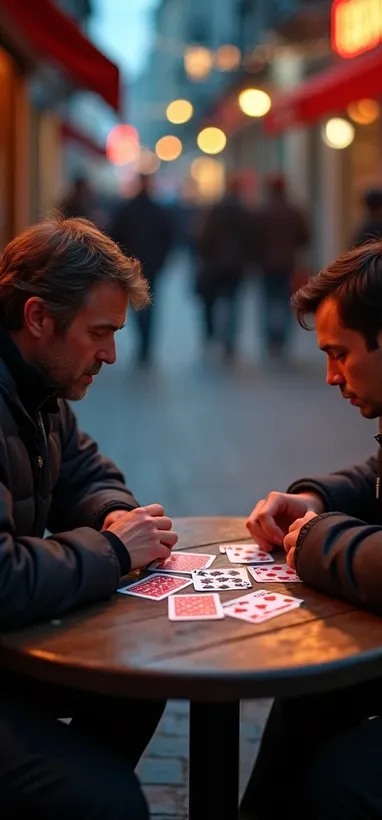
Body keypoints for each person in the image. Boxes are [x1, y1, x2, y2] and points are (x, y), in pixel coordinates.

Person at [242, 239, 382, 820]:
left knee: (348, 780)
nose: (329, 376)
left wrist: (315, 537)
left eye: (338, 354)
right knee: (311, 695)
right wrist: (313, 497)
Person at [0, 215, 179, 819]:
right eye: (99, 332)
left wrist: (118, 516)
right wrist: (115, 552)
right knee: (105, 800)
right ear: (38, 319)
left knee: (140, 676)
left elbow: (85, 472)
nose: (111, 354)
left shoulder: (39, 386)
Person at [110, 174, 174, 366]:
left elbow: (115, 237)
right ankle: (146, 344)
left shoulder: (127, 209)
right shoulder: (159, 210)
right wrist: (162, 260)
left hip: (131, 265)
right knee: (149, 304)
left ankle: (142, 341)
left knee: (136, 304)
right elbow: (168, 238)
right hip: (152, 265)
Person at [195, 176, 254, 362]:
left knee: (214, 302)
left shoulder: (216, 211)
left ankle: (215, 335)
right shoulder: (244, 212)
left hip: (216, 265)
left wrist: (206, 258)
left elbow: (204, 237)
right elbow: (251, 240)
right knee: (234, 302)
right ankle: (230, 340)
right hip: (237, 266)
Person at [255, 175, 310, 358]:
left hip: (266, 264)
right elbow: (305, 237)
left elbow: (254, 239)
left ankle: (271, 339)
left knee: (269, 300)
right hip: (288, 263)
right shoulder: (294, 211)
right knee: (287, 301)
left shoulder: (262, 212)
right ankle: (283, 339)